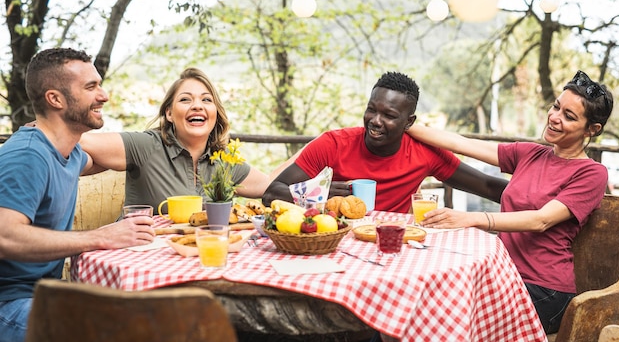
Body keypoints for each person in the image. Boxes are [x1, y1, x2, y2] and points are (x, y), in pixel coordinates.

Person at [406, 70, 613, 334]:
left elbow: (541, 219)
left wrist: (473, 218)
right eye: (556, 107)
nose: (555, 118)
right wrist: (401, 123)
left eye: (569, 116)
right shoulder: (530, 154)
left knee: (445, 319)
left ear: (592, 130)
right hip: (501, 274)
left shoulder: (592, 173)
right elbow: (461, 143)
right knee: (423, 304)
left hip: (545, 290)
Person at [0, 48, 155, 342]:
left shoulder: (69, 153)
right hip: (10, 305)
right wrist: (101, 236)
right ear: (55, 99)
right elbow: (4, 237)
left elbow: (90, 162)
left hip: (46, 295)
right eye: (90, 87)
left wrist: (151, 156)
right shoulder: (27, 156)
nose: (104, 95)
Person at [262, 71, 508, 212]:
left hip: (391, 251)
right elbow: (271, 192)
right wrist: (318, 195)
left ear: (409, 122)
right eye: (371, 110)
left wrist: (543, 201)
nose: (375, 121)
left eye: (389, 115)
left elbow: (487, 186)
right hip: (335, 245)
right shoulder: (333, 144)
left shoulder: (425, 153)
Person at [80, 67, 272, 211]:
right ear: (169, 113)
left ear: (216, 112)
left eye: (206, 100)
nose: (197, 106)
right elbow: (80, 142)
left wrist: (303, 153)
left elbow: (271, 185)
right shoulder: (146, 146)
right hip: (142, 254)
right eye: (185, 99)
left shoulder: (225, 160)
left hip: (198, 256)